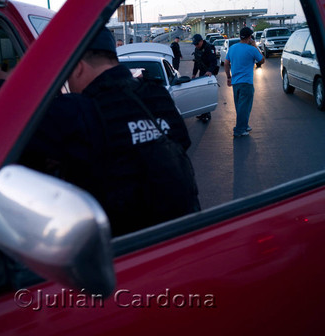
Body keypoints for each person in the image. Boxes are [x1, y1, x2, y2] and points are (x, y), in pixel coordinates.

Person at [19, 27, 200, 236]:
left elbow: (8, 134)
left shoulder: (75, 111)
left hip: (125, 250)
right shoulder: (157, 94)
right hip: (183, 237)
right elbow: (182, 142)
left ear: (78, 67)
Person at [224, 27, 265, 137]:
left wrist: (229, 77)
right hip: (246, 83)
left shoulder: (232, 48)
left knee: (240, 106)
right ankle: (239, 129)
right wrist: (255, 46)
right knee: (245, 106)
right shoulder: (251, 49)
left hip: (236, 82)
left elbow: (226, 63)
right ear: (250, 37)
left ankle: (244, 125)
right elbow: (262, 60)